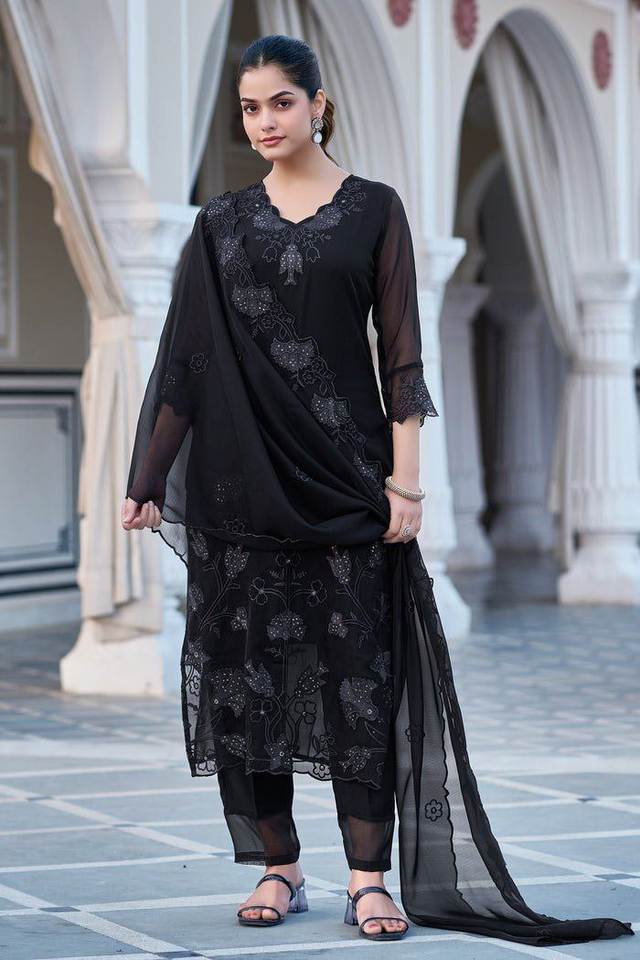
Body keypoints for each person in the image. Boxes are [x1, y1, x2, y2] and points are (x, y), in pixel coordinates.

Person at [121, 33, 634, 947]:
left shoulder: (374, 210)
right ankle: (280, 866)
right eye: (250, 108)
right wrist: (147, 476)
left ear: (319, 105)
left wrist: (408, 485)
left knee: (358, 679)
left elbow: (402, 357)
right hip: (241, 493)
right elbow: (185, 362)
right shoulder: (219, 224)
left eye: (281, 102)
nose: (265, 121)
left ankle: (368, 879)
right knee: (248, 683)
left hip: (347, 482)